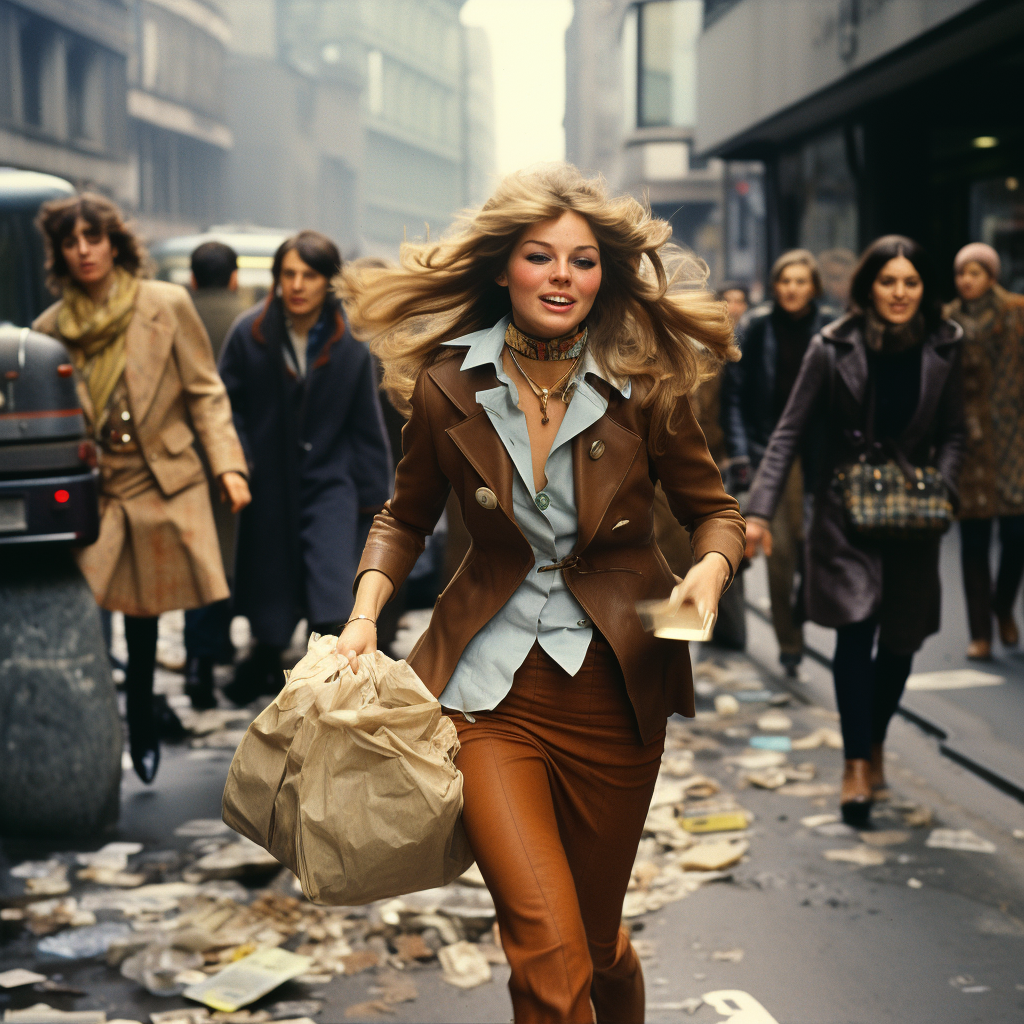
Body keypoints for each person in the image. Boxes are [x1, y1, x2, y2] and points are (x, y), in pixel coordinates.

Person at [336, 165, 746, 1024]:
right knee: (547, 954)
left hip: (617, 690)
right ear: (503, 269)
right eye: (540, 255)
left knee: (594, 946)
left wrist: (710, 569)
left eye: (585, 260)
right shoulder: (451, 384)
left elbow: (714, 513)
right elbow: (401, 516)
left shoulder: (647, 384)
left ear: (606, 275)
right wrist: (365, 616)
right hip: (487, 700)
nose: (563, 275)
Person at [744, 236, 965, 825]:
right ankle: (854, 765)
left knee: (900, 643)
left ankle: (874, 743)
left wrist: (940, 485)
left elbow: (956, 431)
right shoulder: (832, 345)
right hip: (844, 513)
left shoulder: (946, 345)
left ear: (924, 289)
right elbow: (788, 431)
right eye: (888, 282)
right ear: (868, 287)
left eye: (910, 283)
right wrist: (759, 511)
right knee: (854, 632)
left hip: (912, 517)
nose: (899, 293)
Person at [33, 194, 251, 783]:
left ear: (114, 244)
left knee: (147, 608)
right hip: (98, 486)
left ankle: (142, 711)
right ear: (60, 252)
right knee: (89, 599)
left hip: (162, 477)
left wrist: (227, 465)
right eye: (71, 242)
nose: (83, 251)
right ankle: (103, 711)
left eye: (93, 238)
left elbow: (204, 391)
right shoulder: (51, 329)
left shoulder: (165, 304)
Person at [218, 231, 393, 705]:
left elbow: (365, 419)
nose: (296, 285)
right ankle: (265, 661)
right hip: (268, 482)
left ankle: (329, 684)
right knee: (271, 586)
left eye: (309, 275)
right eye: (287, 274)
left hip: (331, 483)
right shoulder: (248, 333)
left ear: (327, 282)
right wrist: (237, 461)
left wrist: (379, 494)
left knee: (332, 587)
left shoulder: (352, 341)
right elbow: (223, 406)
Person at [721, 251, 835, 675]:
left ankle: (799, 621)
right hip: (772, 450)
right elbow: (733, 397)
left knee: (814, 554)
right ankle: (789, 641)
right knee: (781, 552)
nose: (792, 288)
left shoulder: (831, 329)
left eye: (801, 281)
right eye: (785, 280)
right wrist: (741, 452)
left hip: (821, 455)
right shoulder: (756, 327)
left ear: (814, 288)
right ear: (775, 285)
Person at [654, 280, 751, 650]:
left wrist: (714, 563)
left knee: (684, 560)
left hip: (702, 464)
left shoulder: (708, 361)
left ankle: (687, 644)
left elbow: (717, 515)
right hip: (657, 481)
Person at [946, 243, 1024, 660]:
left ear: (992, 277)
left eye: (975, 273)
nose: (967, 280)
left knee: (1017, 535)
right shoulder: (946, 321)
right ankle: (981, 633)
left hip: (1016, 439)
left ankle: (1003, 605)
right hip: (970, 442)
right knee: (974, 541)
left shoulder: (1016, 313)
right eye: (961, 273)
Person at [183, 241, 251, 707]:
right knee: (233, 560)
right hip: (241, 462)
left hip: (186, 463)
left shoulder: (175, 317)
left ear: (192, 278)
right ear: (233, 277)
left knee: (199, 564)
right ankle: (225, 646)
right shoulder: (250, 321)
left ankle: (199, 663)